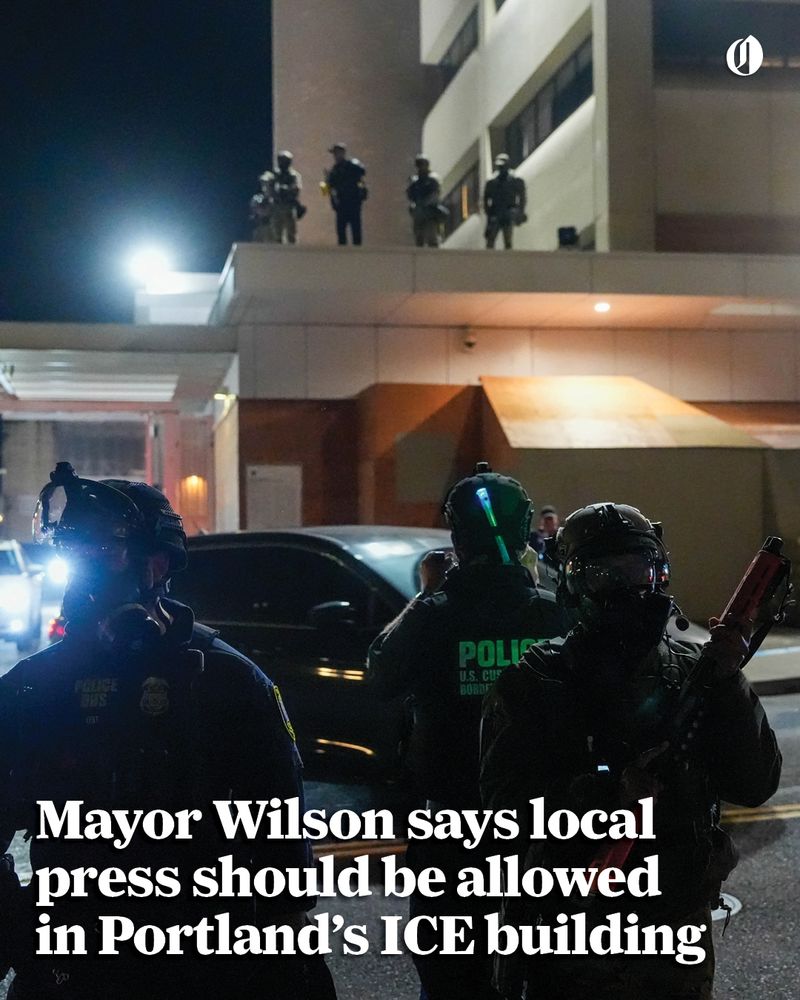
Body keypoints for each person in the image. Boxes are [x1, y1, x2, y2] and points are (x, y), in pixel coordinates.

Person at [0, 463, 336, 1000]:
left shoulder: (228, 680)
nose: (88, 572)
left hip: (205, 960)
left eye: (104, 553)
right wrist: (18, 927)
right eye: (77, 554)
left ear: (159, 563)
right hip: (72, 962)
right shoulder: (32, 687)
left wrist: (289, 956)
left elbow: (279, 839)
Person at [481, 502, 782, 1000]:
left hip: (673, 933)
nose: (627, 588)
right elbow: (502, 814)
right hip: (571, 933)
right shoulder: (535, 682)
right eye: (604, 575)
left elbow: (755, 784)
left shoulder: (694, 673)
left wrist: (730, 682)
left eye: (638, 570)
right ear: (574, 585)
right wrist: (605, 795)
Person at [367, 462, 573, 1000]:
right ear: (524, 529)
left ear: (456, 535)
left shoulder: (433, 615)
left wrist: (427, 591)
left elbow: (382, 674)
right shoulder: (554, 613)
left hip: (450, 827)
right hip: (540, 831)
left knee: (450, 975)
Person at [322, 142, 367, 245]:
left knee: (356, 232)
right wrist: (325, 180)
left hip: (354, 203)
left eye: (337, 153)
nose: (335, 156)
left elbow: (362, 174)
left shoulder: (352, 166)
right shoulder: (334, 170)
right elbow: (325, 191)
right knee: (341, 233)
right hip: (341, 204)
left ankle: (357, 252)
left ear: (342, 153)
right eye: (334, 153)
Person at [483, 153, 526, 250]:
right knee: (490, 239)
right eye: (499, 166)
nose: (501, 168)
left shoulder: (515, 180)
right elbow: (486, 199)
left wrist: (520, 212)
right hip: (495, 212)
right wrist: (489, 214)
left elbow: (522, 198)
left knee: (508, 240)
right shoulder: (491, 182)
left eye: (503, 166)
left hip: (508, 212)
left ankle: (508, 257)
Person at [262, 151, 305, 244]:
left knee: (291, 234)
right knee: (277, 234)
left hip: (289, 206)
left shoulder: (293, 175)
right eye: (281, 161)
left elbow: (296, 189)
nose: (283, 163)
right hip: (277, 206)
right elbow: (269, 190)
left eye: (285, 161)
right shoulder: (273, 176)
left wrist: (284, 189)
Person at [406, 155, 443, 247]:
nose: (421, 167)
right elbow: (410, 195)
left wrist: (426, 203)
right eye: (419, 165)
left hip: (430, 210)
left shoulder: (432, 179)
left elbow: (435, 194)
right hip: (419, 211)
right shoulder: (415, 181)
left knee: (432, 235)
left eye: (422, 164)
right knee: (419, 236)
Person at [249, 171, 274, 242]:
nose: (265, 185)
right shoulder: (258, 197)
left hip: (273, 226)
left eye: (268, 183)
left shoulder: (275, 197)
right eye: (263, 182)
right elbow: (256, 208)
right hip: (261, 225)